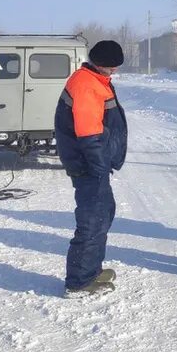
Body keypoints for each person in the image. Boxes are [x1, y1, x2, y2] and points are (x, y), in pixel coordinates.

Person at [55, 40, 128, 297]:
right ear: (101, 63)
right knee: (92, 221)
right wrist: (99, 168)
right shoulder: (86, 85)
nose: (115, 71)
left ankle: (91, 269)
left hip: (94, 164)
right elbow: (88, 134)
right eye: (112, 66)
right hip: (89, 166)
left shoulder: (94, 80)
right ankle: (79, 281)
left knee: (103, 214)